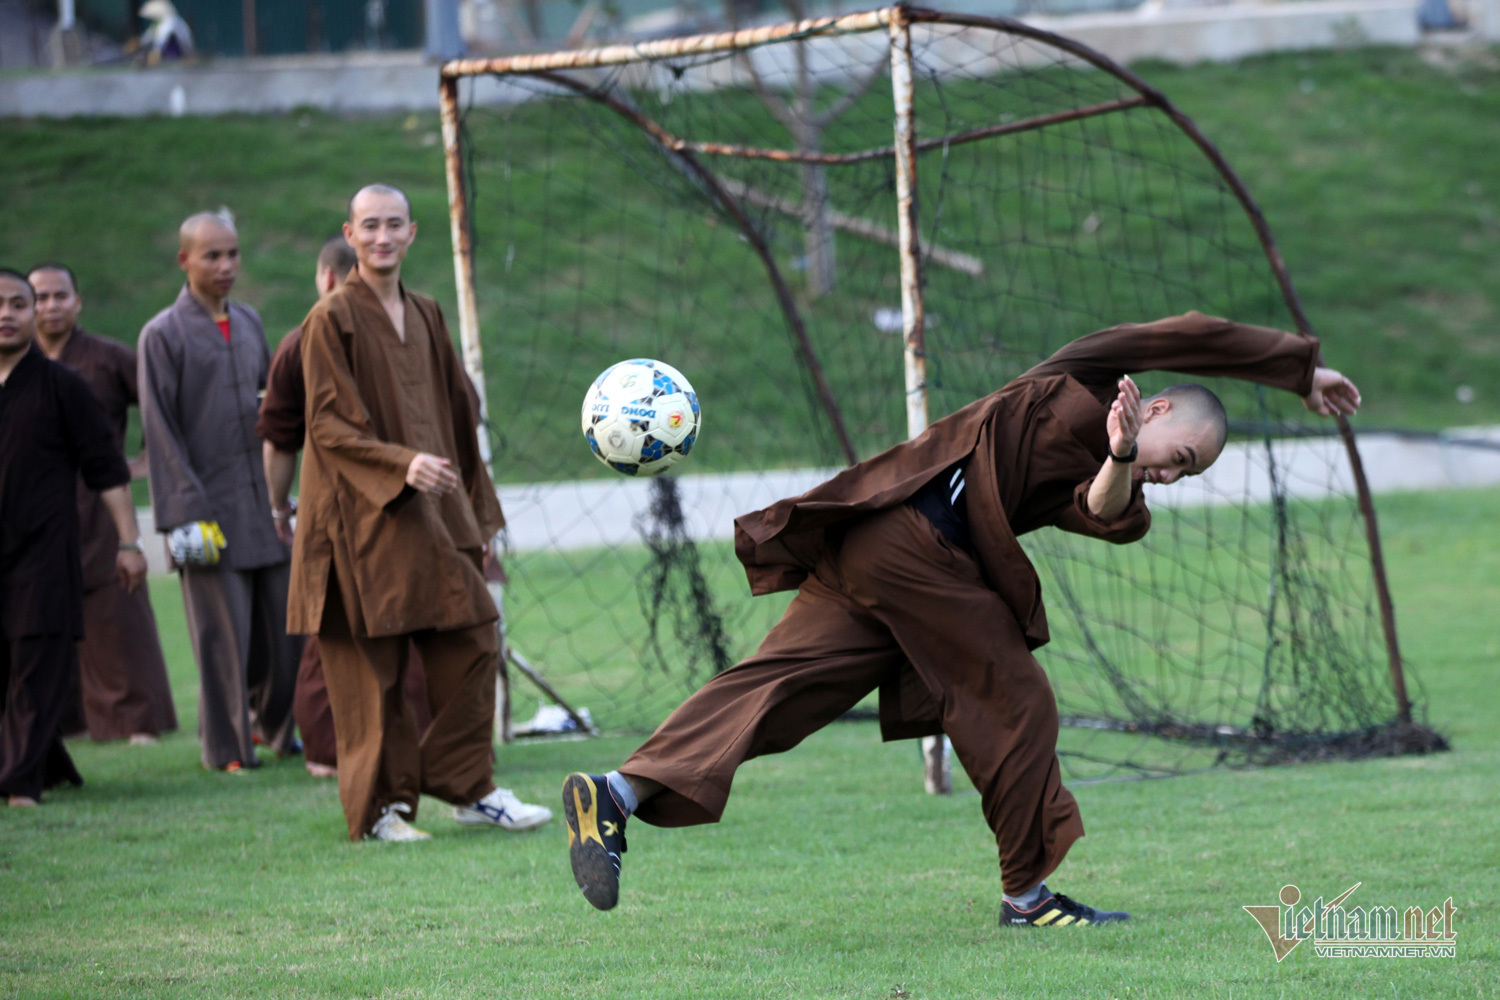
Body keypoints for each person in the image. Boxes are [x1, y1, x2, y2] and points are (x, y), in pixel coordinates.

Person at [560, 311, 1362, 925]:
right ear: (1153, 408)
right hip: (907, 536)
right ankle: (1029, 897)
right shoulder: (1083, 374)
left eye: (1188, 474)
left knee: (788, 688)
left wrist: (1123, 459)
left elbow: (1102, 503)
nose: (1175, 476)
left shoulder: (1115, 475)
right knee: (1016, 700)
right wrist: (1299, 369)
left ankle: (616, 795)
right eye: (1179, 457)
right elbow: (1191, 334)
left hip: (877, 552)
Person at [289, 184, 551, 841]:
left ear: (412, 233)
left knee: (473, 637)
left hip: (433, 513)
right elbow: (325, 422)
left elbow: (459, 413)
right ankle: (382, 810)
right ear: (349, 235)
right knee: (370, 670)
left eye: (394, 225)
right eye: (369, 225)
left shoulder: (428, 312)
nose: (382, 237)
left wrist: (474, 511)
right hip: (358, 518)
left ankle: (469, 787)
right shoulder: (329, 319)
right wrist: (399, 465)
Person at [256, 235, 433, 780]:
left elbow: (279, 439)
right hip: (385, 505)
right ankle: (345, 752)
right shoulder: (320, 334)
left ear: (326, 278)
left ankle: (341, 754)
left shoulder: (413, 326)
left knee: (342, 634)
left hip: (367, 507)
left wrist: (278, 508)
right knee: (352, 629)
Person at [137, 211, 302, 773]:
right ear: (184, 260)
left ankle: (279, 730)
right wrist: (187, 515)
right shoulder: (161, 334)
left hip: (265, 507)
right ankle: (227, 750)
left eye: (233, 254)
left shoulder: (251, 321)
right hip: (205, 515)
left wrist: (286, 494)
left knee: (287, 632)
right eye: (213, 256)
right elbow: (159, 432)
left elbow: (273, 412)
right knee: (222, 642)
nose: (226, 266)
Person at [0, 270, 149, 807]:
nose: (8, 314)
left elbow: (107, 470)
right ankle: (48, 763)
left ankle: (18, 784)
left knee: (36, 666)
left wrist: (130, 544)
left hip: (43, 552)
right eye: (2, 304)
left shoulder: (63, 386)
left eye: (19, 304)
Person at [28, 263, 178, 746]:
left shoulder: (107, 358)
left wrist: (141, 463)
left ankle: (136, 722)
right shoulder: (17, 363)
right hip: (34, 513)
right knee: (42, 615)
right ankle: (63, 722)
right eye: (40, 298)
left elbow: (162, 410)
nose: (50, 306)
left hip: (99, 508)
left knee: (116, 613)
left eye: (59, 296)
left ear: (77, 302)